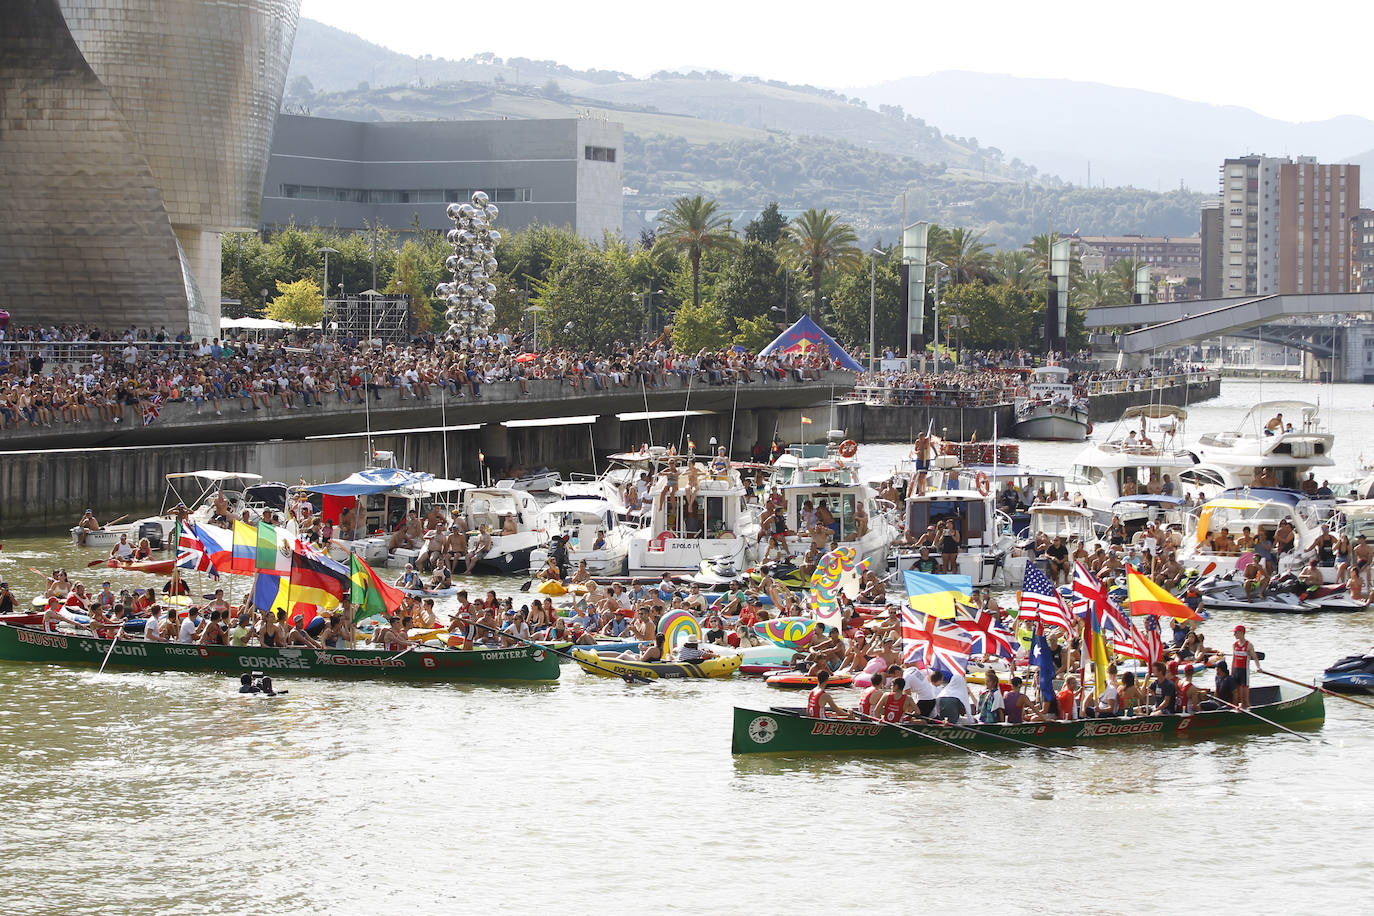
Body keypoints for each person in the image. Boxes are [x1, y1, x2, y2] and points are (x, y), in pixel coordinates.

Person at [1231, 624, 1257, 708]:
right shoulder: (1234, 645)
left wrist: (1258, 667)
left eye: (1235, 632)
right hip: (1236, 671)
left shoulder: (1249, 645)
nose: (1234, 634)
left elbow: (1255, 658)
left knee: (1245, 699)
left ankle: (1248, 707)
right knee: (1237, 696)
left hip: (1244, 671)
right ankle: (1238, 708)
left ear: (1241, 633)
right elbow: (1234, 659)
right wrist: (1232, 672)